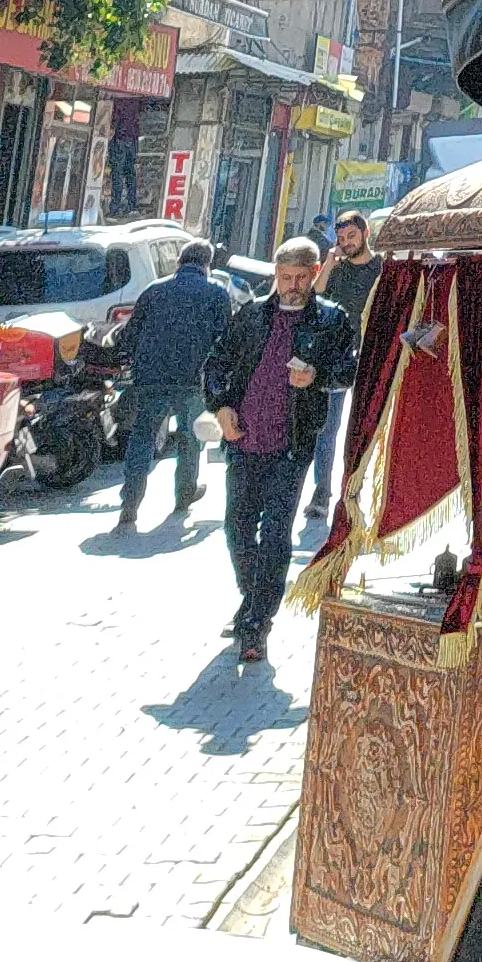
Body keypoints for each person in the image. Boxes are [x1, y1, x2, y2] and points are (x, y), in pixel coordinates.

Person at [201, 235, 356, 666]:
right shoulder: (250, 315)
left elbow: (348, 367)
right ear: (275, 275)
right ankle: (253, 599)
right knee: (236, 528)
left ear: (313, 276)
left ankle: (256, 624)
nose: (292, 284)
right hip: (243, 439)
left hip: (291, 445)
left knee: (275, 535)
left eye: (300, 277)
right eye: (285, 277)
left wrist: (318, 374)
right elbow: (216, 363)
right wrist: (221, 407)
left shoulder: (330, 320)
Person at [114, 237, 232, 532]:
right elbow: (228, 340)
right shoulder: (216, 293)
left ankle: (130, 502)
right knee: (189, 438)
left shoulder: (154, 290)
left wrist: (131, 362)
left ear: (179, 262)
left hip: (151, 377)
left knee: (143, 437)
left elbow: (131, 334)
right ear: (207, 265)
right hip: (193, 378)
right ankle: (184, 494)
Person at [303, 209, 380, 533]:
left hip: (370, 354)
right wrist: (330, 262)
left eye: (352, 237)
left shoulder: (380, 268)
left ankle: (355, 488)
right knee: (327, 429)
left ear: (364, 234)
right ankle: (322, 492)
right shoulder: (338, 268)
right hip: (335, 356)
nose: (347, 243)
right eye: (342, 238)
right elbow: (315, 296)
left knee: (363, 428)